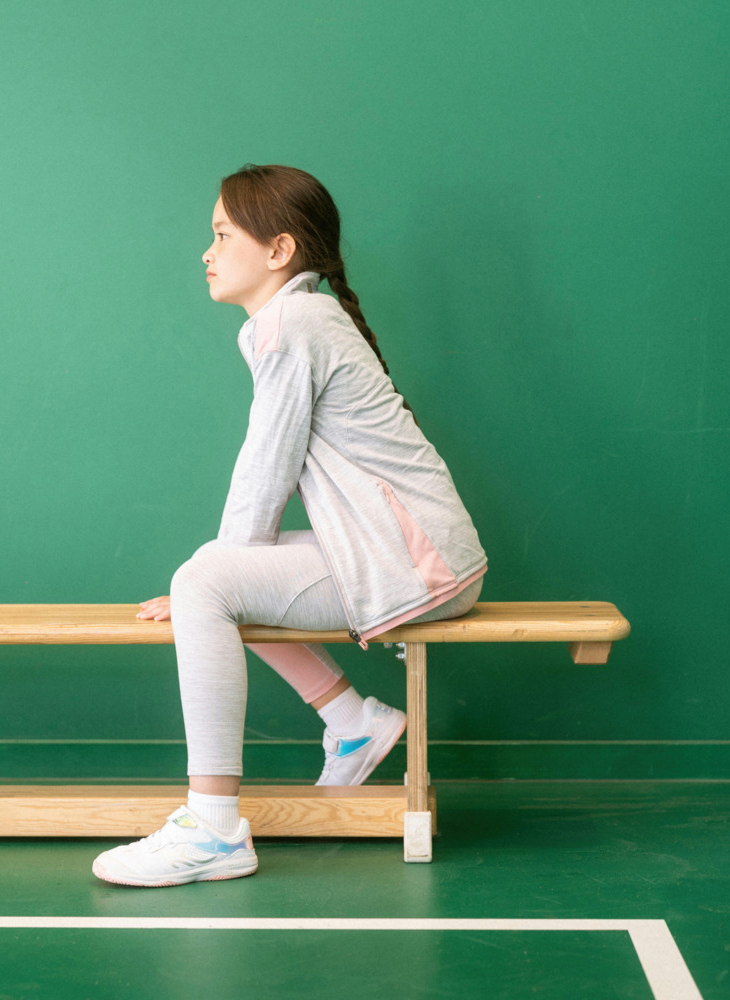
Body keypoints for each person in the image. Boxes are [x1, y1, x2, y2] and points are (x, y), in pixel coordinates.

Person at [92, 164, 488, 887]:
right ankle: (354, 723)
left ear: (279, 250)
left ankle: (215, 829)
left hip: (415, 562)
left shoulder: (292, 323)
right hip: (413, 553)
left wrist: (205, 586)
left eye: (222, 235)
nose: (207, 252)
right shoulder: (302, 318)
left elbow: (265, 465)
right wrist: (215, 578)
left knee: (208, 580)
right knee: (215, 576)